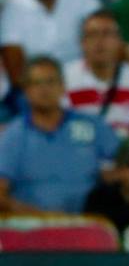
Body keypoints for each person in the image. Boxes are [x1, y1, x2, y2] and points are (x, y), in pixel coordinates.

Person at [0, 56, 117, 214]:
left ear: (63, 87)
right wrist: (43, 217)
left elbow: (123, 170)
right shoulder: (13, 135)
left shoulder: (92, 125)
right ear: (26, 91)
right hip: (32, 224)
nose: (44, 89)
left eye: (50, 82)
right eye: (36, 83)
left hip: (91, 222)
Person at [0, 0, 101, 88]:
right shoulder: (14, 7)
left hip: (82, 83)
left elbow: (105, 38)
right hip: (35, 88)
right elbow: (16, 71)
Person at [64, 9, 129, 139]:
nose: (100, 41)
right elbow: (59, 129)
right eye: (93, 34)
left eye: (107, 34)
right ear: (82, 43)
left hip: (125, 151)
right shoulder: (65, 78)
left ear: (120, 41)